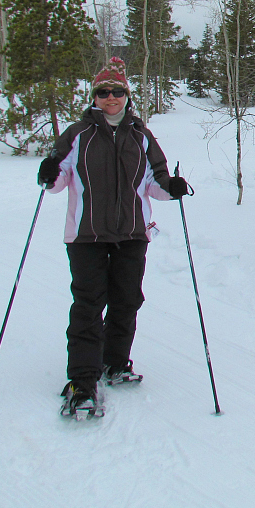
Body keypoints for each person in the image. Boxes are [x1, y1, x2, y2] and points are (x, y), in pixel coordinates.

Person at [37, 57, 190, 419]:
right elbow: (57, 183)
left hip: (132, 233)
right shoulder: (77, 134)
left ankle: (115, 363)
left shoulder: (141, 135)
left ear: (126, 95)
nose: (110, 98)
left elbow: (154, 182)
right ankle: (82, 381)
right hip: (87, 235)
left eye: (117, 92)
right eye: (103, 92)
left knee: (126, 301)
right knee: (89, 305)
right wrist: (47, 172)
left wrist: (173, 188)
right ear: (94, 96)